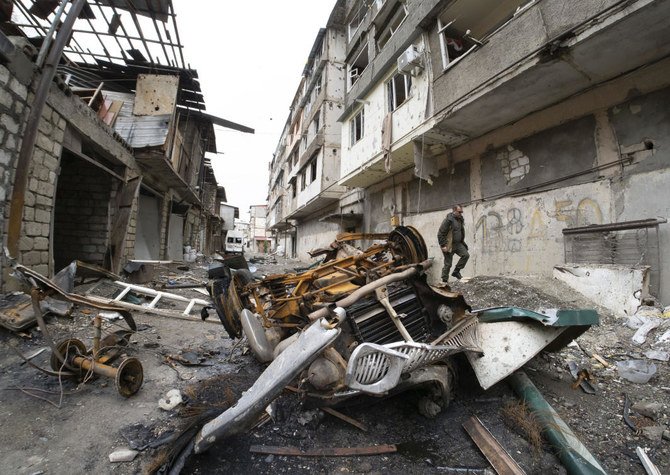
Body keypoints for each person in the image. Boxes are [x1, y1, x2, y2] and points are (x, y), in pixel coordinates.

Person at [437, 205, 469, 281]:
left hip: (458, 244)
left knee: (465, 255)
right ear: (454, 211)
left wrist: (462, 242)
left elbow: (461, 231)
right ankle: (444, 281)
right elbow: (440, 233)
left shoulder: (460, 219)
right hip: (449, 245)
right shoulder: (448, 220)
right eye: (459, 212)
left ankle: (456, 271)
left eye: (461, 212)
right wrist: (443, 245)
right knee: (448, 264)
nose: (461, 213)